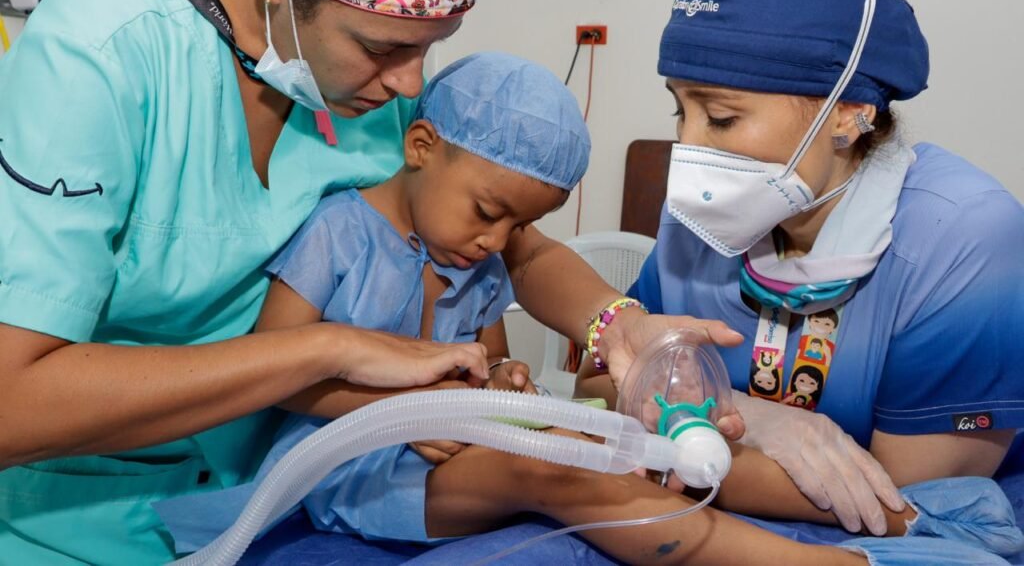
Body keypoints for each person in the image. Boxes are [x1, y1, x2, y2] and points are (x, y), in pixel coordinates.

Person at [0, 0, 746, 562]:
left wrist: (617, 327)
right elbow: (13, 405)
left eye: (429, 48)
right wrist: (330, 349)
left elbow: (517, 242)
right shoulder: (103, 56)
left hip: (284, 493)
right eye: (383, 48)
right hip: (76, 515)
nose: (410, 85)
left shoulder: (364, 93)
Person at [157, 51, 1009, 566]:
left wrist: (507, 381)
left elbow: (488, 368)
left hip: (446, 460)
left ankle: (918, 517)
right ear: (420, 148)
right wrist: (405, 408)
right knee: (569, 470)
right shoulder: (339, 234)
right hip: (345, 471)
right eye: (489, 211)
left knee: (614, 448)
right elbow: (277, 376)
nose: (498, 241)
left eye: (521, 226)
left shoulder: (479, 266)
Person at [577, 0, 1024, 542]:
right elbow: (601, 376)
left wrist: (680, 447)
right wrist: (751, 421)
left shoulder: (964, 240)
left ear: (848, 113)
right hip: (697, 510)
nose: (690, 148)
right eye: (680, 111)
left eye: (722, 117)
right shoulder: (701, 218)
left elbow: (906, 503)